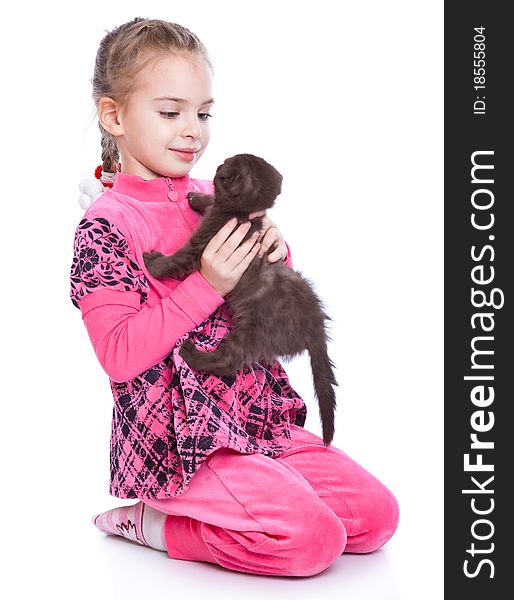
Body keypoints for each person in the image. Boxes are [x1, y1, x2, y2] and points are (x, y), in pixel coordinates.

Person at [70, 17, 399, 578]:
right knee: (310, 540)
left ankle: (256, 488)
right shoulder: (105, 225)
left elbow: (262, 305)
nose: (193, 130)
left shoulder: (214, 193)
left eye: (203, 112)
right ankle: (156, 522)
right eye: (170, 112)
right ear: (114, 116)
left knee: (374, 519)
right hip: (177, 437)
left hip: (252, 415)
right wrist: (205, 285)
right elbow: (119, 356)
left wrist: (274, 254)